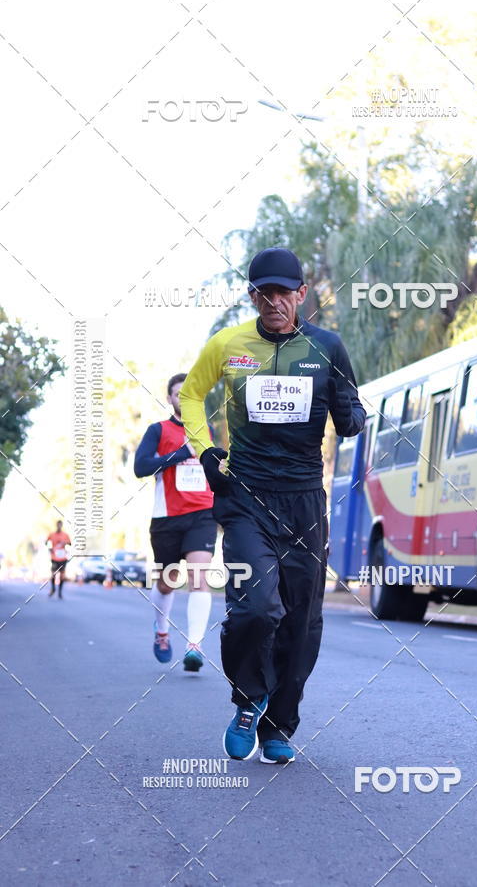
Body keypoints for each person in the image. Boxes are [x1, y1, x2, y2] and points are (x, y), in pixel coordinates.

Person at [180, 246, 366, 764]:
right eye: (264, 292)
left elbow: (352, 407)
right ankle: (247, 701)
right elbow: (191, 396)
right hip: (245, 497)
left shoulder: (327, 347)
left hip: (305, 499)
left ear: (302, 294)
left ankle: (279, 726)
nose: (274, 301)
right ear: (252, 294)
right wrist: (205, 449)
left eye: (284, 292)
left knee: (300, 619)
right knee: (256, 607)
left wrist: (351, 416)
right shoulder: (228, 344)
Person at [134, 373, 217, 671]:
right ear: (169, 398)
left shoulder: (206, 430)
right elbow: (140, 467)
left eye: (188, 392)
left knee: (199, 578)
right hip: (167, 518)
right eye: (177, 393)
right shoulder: (158, 430)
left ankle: (194, 646)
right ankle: (161, 631)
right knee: (168, 582)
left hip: (203, 514)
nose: (183, 397)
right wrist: (181, 453)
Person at [46, 520, 71, 598]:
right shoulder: (52, 534)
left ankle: (60, 592)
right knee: (53, 574)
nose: (59, 526)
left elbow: (70, 543)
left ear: (62, 525)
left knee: (62, 576)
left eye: (60, 525)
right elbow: (46, 542)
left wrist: (65, 543)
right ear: (56, 525)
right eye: (58, 525)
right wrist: (49, 548)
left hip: (62, 557)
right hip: (54, 557)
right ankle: (53, 588)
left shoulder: (65, 535)